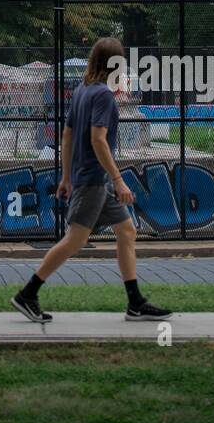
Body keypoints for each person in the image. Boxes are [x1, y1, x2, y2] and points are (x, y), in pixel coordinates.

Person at [12, 36, 172, 324]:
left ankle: (135, 303)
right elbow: (98, 140)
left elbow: (68, 134)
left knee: (126, 231)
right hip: (94, 180)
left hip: (89, 178)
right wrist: (118, 179)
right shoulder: (103, 96)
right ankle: (27, 293)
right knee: (75, 240)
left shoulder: (82, 91)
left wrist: (65, 176)